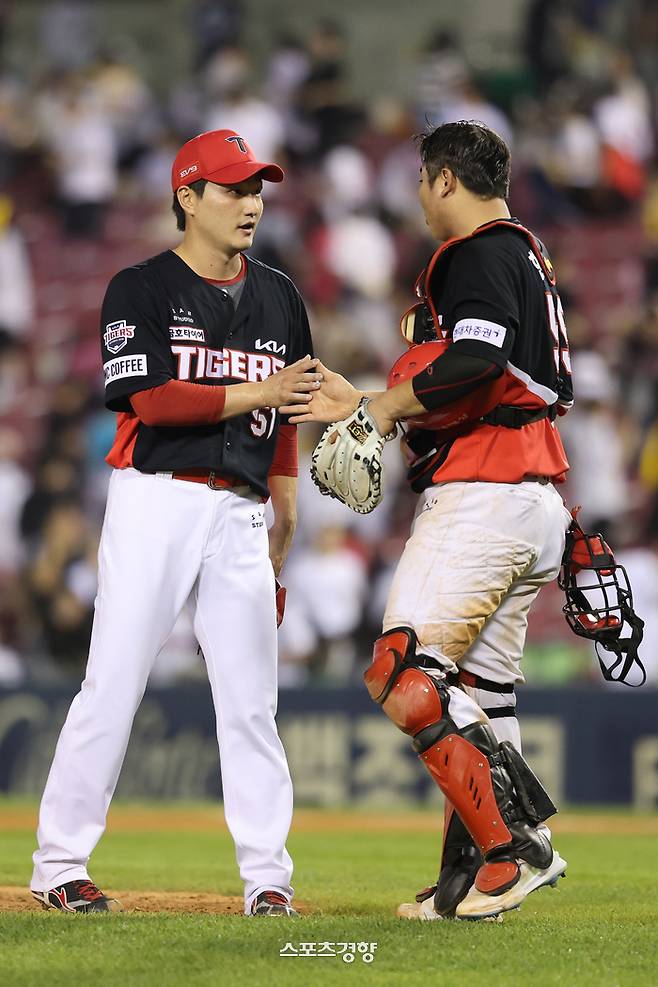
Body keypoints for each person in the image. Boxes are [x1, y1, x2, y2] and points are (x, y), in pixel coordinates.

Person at [30, 129, 321, 918]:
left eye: (256, 187)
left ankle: (268, 877)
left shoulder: (282, 295)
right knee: (113, 682)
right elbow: (152, 400)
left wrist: (286, 497)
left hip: (242, 511)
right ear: (187, 198)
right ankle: (60, 863)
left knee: (252, 699)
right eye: (232, 188)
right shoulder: (140, 288)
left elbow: (291, 408)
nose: (251, 202)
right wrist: (262, 397)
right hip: (155, 498)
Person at [290, 120, 573, 920]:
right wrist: (374, 404)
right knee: (482, 694)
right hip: (529, 491)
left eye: (422, 179)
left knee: (401, 667)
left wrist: (380, 408)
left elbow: (477, 358)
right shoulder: (528, 255)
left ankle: (512, 849)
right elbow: (487, 380)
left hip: (485, 492)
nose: (418, 194)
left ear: (446, 179)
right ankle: (464, 886)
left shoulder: (478, 251)